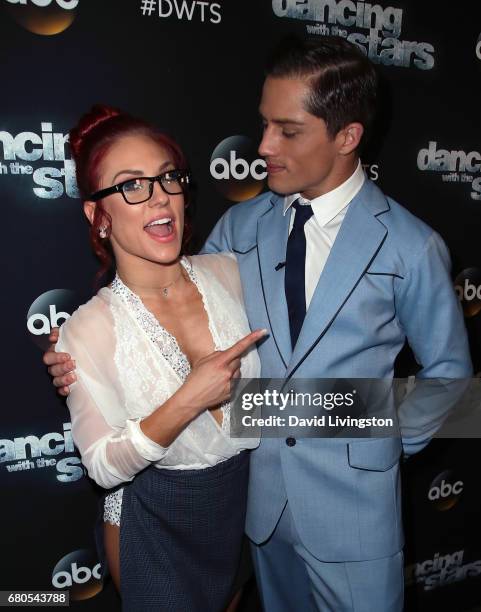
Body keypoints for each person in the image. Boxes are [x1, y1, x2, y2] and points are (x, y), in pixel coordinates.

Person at [46, 37, 472, 611]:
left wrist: (379, 442)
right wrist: (79, 360)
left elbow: (450, 375)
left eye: (287, 131)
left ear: (347, 137)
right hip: (256, 515)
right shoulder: (239, 231)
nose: (264, 145)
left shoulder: (410, 247)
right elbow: (170, 301)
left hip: (355, 516)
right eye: (264, 124)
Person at [50, 104, 265, 612]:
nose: (159, 197)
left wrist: (409, 408)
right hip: (154, 529)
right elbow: (102, 467)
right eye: (131, 186)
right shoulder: (88, 330)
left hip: (237, 514)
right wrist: (188, 399)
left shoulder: (231, 273)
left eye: (168, 178)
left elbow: (270, 402)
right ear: (97, 216)